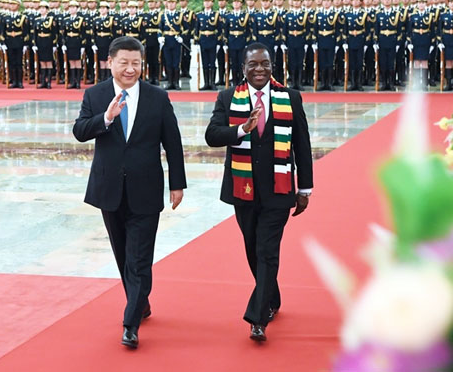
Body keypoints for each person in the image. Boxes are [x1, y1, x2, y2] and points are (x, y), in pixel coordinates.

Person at [73, 36, 186, 349]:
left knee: (139, 258)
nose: (130, 69)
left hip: (146, 188)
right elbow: (80, 131)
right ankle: (140, 301)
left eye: (136, 63)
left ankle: (130, 323)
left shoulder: (157, 97)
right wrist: (106, 118)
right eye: (124, 62)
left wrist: (177, 183)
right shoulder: (95, 95)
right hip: (109, 188)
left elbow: (173, 143)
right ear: (110, 62)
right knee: (123, 254)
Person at [205, 42, 313, 342]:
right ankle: (272, 297)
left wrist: (305, 188)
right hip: (244, 189)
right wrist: (242, 129)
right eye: (253, 64)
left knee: (267, 251)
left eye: (265, 64)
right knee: (253, 249)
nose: (259, 69)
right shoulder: (228, 97)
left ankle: (258, 317)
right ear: (243, 68)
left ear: (272, 66)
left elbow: (302, 145)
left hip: (279, 189)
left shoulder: (290, 98)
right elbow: (212, 135)